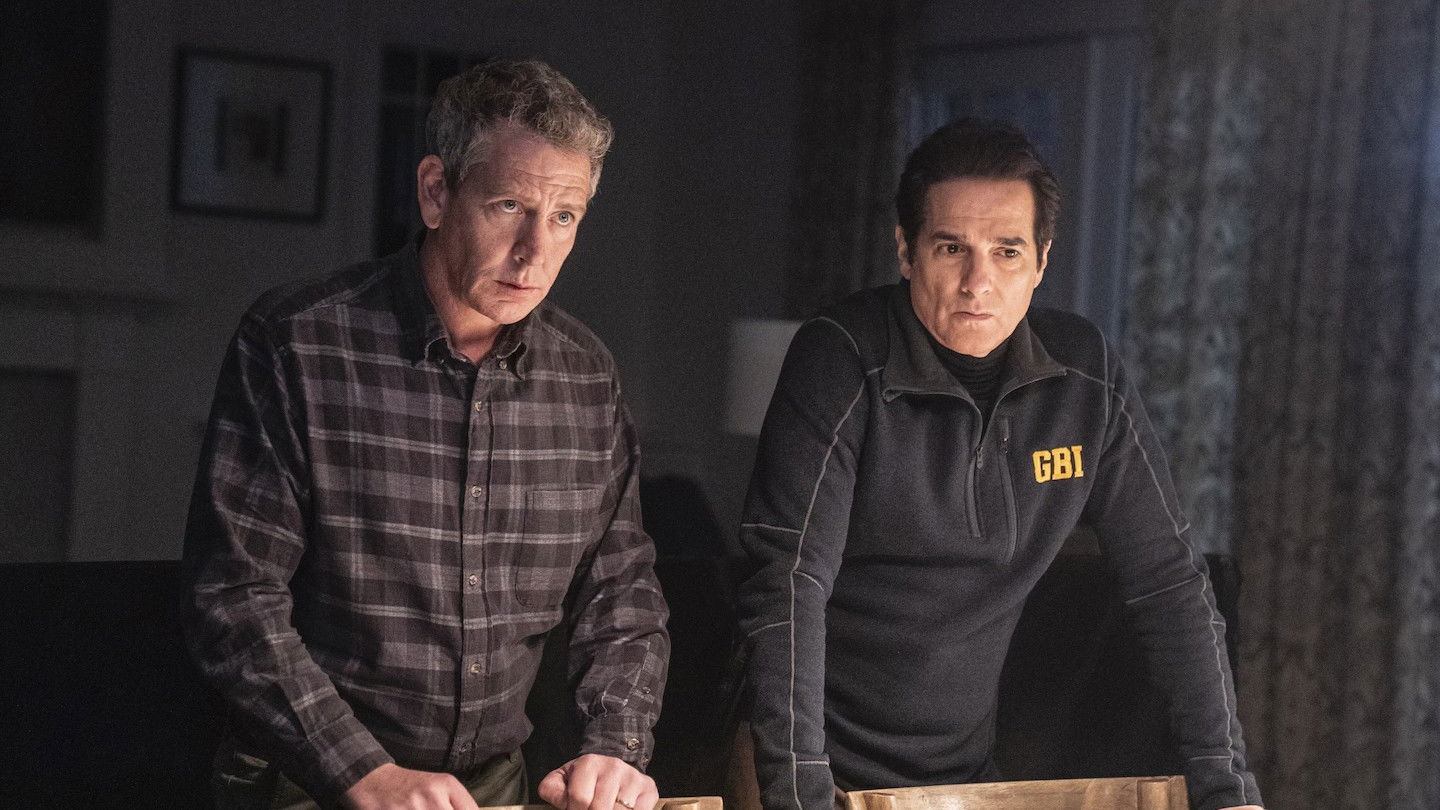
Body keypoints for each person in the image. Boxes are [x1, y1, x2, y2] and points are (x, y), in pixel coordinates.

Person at [182, 58, 669, 810]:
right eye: (509, 206)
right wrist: (366, 775)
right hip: (311, 780)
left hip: (493, 786)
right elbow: (234, 600)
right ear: (437, 192)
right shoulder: (296, 345)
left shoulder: (586, 377)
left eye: (563, 216)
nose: (535, 252)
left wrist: (615, 745)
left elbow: (622, 595)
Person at [736, 119, 1264, 810]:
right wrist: (800, 794)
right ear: (906, 252)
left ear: (1041, 262)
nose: (976, 283)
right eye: (951, 247)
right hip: (804, 764)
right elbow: (788, 585)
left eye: (1006, 251)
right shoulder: (839, 359)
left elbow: (1169, 586)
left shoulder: (1086, 378)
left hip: (964, 775)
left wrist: (1228, 789)